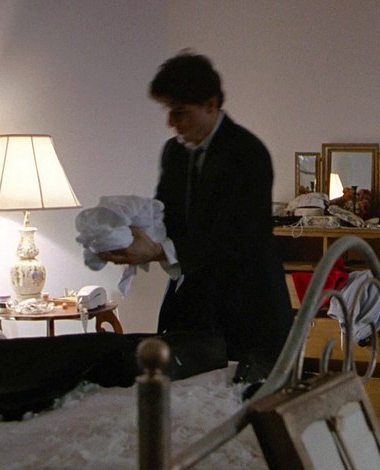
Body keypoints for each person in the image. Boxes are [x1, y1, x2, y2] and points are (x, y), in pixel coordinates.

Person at [99, 51, 293, 381]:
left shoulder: (248, 153)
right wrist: (132, 236)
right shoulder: (174, 152)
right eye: (168, 112)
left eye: (179, 112)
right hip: (196, 302)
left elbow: (235, 237)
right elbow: (165, 213)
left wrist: (158, 251)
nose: (171, 123)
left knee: (245, 400)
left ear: (211, 105)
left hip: (250, 307)